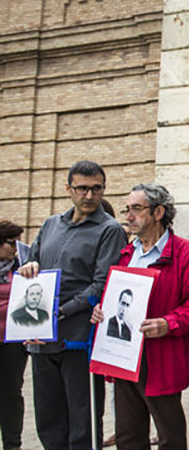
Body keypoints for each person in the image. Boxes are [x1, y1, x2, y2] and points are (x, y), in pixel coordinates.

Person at [18, 160, 127, 449]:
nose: (89, 196)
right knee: (49, 422)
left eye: (96, 189)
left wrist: (62, 310)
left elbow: (102, 284)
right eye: (82, 189)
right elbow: (35, 263)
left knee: (83, 424)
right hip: (40, 338)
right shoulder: (51, 224)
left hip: (80, 341)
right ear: (68, 189)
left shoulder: (110, 229)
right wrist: (29, 267)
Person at [91, 183, 189, 449]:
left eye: (136, 209)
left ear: (158, 212)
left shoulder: (184, 252)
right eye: (127, 209)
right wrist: (102, 310)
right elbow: (115, 297)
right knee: (128, 434)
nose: (128, 216)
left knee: (170, 435)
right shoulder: (127, 254)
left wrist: (169, 323)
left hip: (162, 356)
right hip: (124, 355)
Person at [0, 221, 27, 450]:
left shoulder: (20, 267)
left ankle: (12, 443)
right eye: (12, 242)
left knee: (10, 392)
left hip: (12, 341)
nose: (16, 248)